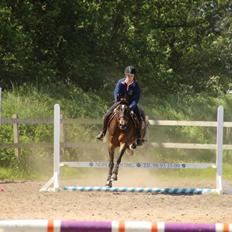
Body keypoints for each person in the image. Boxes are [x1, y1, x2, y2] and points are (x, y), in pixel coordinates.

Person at [96, 65, 144, 145]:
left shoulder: (136, 86)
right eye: (128, 75)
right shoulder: (120, 82)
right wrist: (118, 99)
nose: (130, 77)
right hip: (119, 103)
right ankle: (103, 132)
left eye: (132, 76)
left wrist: (131, 107)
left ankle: (138, 137)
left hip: (131, 105)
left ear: (134, 76)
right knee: (106, 115)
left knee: (138, 118)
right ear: (126, 75)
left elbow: (136, 99)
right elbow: (116, 93)